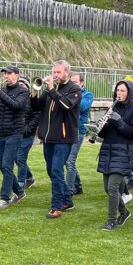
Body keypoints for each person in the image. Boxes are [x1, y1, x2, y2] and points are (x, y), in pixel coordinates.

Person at [32, 60, 82, 218]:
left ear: (67, 72)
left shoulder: (74, 89)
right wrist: (34, 93)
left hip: (64, 138)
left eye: (59, 72)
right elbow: (36, 107)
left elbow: (66, 105)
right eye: (54, 72)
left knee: (56, 170)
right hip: (48, 137)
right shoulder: (49, 89)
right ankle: (68, 200)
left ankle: (57, 205)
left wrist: (52, 89)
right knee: (51, 171)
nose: (55, 75)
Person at [0, 65, 30, 208]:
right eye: (5, 74)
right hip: (1, 133)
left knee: (7, 165)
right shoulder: (2, 91)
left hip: (15, 133)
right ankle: (19, 192)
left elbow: (16, 106)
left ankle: (5, 198)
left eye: (9, 73)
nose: (6, 76)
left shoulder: (23, 92)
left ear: (16, 75)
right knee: (2, 167)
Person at [96, 79, 133, 231]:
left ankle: (111, 221)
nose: (119, 93)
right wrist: (101, 125)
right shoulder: (112, 108)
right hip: (108, 151)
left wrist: (119, 121)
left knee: (113, 188)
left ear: (129, 93)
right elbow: (103, 134)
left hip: (122, 152)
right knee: (108, 189)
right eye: (117, 90)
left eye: (122, 91)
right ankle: (124, 212)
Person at [64, 72, 93, 196]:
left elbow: (81, 107)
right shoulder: (69, 93)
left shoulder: (88, 95)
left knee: (70, 161)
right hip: (67, 129)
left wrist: (72, 96)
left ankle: (68, 190)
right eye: (71, 82)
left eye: (75, 82)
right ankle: (78, 186)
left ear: (82, 83)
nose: (72, 84)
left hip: (78, 131)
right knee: (67, 161)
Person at [16, 77, 39, 189]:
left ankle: (20, 182)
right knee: (16, 157)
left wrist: (26, 130)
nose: (20, 86)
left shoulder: (32, 99)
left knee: (20, 157)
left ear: (28, 87)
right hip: (16, 133)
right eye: (18, 84)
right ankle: (29, 177)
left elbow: (36, 117)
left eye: (23, 84)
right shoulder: (15, 98)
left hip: (27, 134)